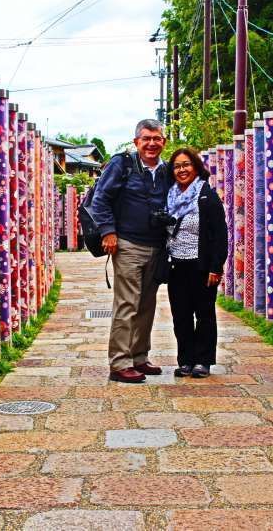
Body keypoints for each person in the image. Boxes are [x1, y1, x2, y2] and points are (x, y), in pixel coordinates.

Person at [91, 119, 171, 383]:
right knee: (127, 303)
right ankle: (119, 362)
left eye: (157, 138)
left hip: (157, 246)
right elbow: (100, 199)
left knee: (147, 304)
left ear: (164, 142)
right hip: (127, 245)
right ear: (136, 141)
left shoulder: (166, 171)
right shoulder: (121, 164)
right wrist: (108, 232)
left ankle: (139, 356)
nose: (151, 143)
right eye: (146, 138)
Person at [165, 148, 227, 378]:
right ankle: (185, 361)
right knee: (180, 315)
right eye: (177, 166)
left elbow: (220, 234)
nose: (182, 170)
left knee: (204, 315)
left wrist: (216, 266)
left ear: (196, 167)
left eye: (186, 164)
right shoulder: (168, 197)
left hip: (200, 265)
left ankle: (203, 361)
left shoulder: (206, 195)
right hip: (176, 265)